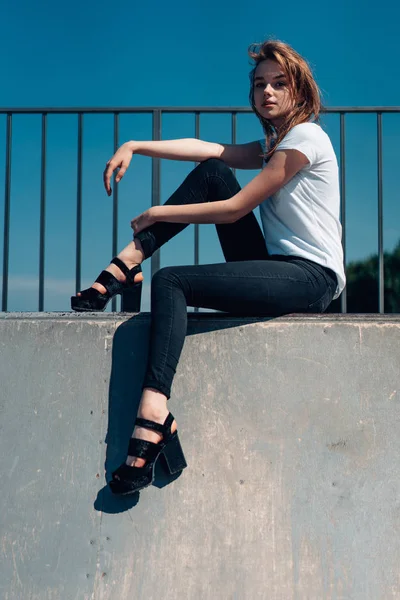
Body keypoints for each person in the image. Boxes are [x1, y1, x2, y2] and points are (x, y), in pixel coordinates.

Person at [71, 39, 346, 496]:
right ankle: (126, 264)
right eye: (260, 84)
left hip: (310, 278)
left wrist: (158, 212)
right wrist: (135, 144)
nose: (268, 92)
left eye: (280, 83)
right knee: (212, 169)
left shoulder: (306, 139)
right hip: (277, 268)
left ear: (300, 90)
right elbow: (208, 149)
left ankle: (154, 415)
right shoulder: (274, 144)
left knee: (173, 281)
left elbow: (236, 209)